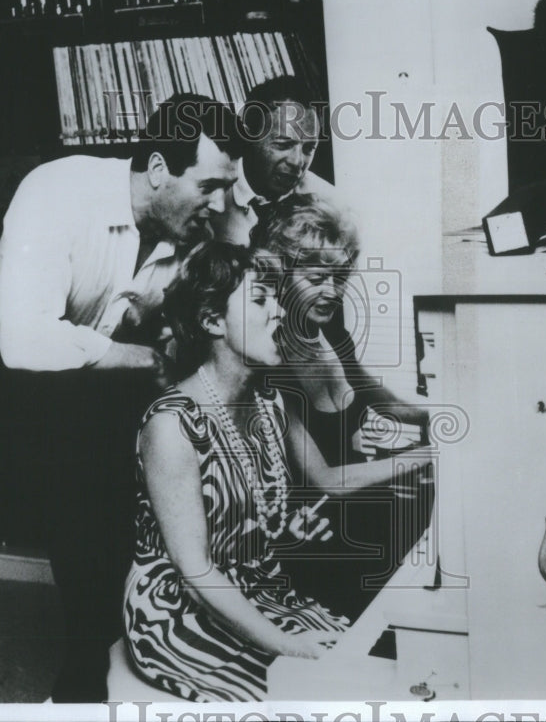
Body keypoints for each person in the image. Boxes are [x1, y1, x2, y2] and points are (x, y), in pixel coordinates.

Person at [0, 94, 243, 702]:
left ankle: (142, 655)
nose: (220, 203)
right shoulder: (54, 193)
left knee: (141, 507)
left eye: (227, 188)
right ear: (157, 169)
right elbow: (22, 339)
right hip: (25, 363)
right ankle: (81, 686)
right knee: (80, 519)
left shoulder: (189, 220)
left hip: (108, 349)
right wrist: (147, 357)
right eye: (208, 185)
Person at [123, 242, 431, 701]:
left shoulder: (271, 403)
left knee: (366, 665)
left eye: (277, 300)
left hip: (258, 589)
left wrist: (429, 457)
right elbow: (197, 571)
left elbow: (328, 480)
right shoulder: (170, 427)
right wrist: (287, 644)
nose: (281, 314)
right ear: (212, 321)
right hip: (180, 610)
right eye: (260, 300)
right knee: (306, 690)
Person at [250, 194, 434, 620]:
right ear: (279, 275)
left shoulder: (329, 331)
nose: (332, 292)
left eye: (341, 276)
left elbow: (380, 398)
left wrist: (444, 414)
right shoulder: (266, 361)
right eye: (317, 278)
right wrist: (427, 455)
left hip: (362, 510)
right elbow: (326, 480)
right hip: (315, 537)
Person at [210, 75, 338, 245]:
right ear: (247, 136)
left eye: (309, 149)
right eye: (283, 144)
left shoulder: (329, 206)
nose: (297, 162)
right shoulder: (207, 193)